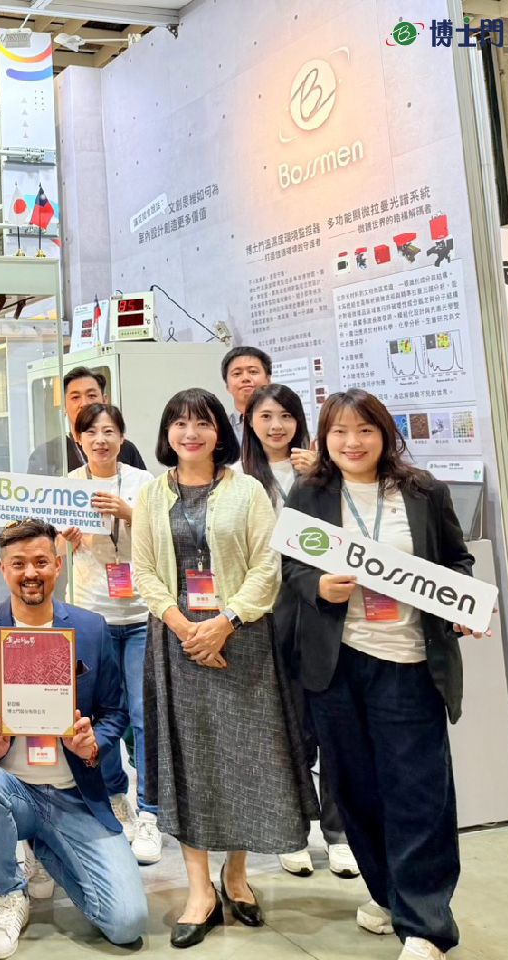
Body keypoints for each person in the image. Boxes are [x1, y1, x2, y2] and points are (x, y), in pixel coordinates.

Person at [281, 389, 482, 960]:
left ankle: (426, 925)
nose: (353, 442)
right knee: (356, 792)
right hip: (338, 666)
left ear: (385, 434)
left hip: (410, 664)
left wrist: (461, 604)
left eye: (365, 430)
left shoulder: (423, 492)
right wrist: (317, 586)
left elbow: (457, 561)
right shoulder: (310, 493)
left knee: (418, 793)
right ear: (324, 438)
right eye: (340, 432)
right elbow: (291, 564)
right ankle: (391, 895)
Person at [130, 388, 316, 949]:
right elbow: (144, 572)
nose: (191, 433)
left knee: (242, 759)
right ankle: (198, 891)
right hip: (177, 644)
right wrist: (187, 628)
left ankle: (236, 876)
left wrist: (225, 622)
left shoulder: (248, 490)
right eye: (180, 423)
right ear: (166, 433)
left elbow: (268, 566)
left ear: (220, 433)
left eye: (203, 423)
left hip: (243, 641)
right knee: (190, 762)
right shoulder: (150, 494)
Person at [0, 519, 148, 960]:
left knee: (128, 923)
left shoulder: (90, 628)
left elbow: (115, 712)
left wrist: (93, 743)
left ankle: (45, 848)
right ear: (3, 568)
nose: (31, 573)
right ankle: (10, 891)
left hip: (74, 794)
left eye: (41, 562)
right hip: (10, 788)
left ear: (58, 565)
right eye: (19, 564)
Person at [241, 384, 358, 880]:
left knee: (331, 724)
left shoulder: (326, 472)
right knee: (283, 728)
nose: (276, 426)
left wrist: (323, 477)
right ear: (249, 422)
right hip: (264, 612)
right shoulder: (240, 477)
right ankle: (292, 830)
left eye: (286, 416)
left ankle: (339, 833)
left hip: (319, 606)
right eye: (266, 416)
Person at [59, 403, 160, 864]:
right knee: (100, 716)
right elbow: (53, 549)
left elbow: (165, 537)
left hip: (140, 613)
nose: (100, 440)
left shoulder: (143, 484)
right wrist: (65, 536)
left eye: (108, 431)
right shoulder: (68, 486)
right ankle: (116, 795)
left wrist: (128, 513)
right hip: (91, 618)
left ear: (122, 437)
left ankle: (151, 811)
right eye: (91, 432)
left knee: (142, 714)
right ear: (78, 439)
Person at [27, 367, 146, 476]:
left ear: (105, 401)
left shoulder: (125, 449)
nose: (84, 403)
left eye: (91, 395)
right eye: (75, 397)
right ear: (63, 406)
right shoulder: (46, 455)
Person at [220, 346, 272, 445]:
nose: (245, 378)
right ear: (227, 386)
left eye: (253, 372)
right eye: (237, 373)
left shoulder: (285, 423)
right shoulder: (219, 429)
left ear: (268, 381)